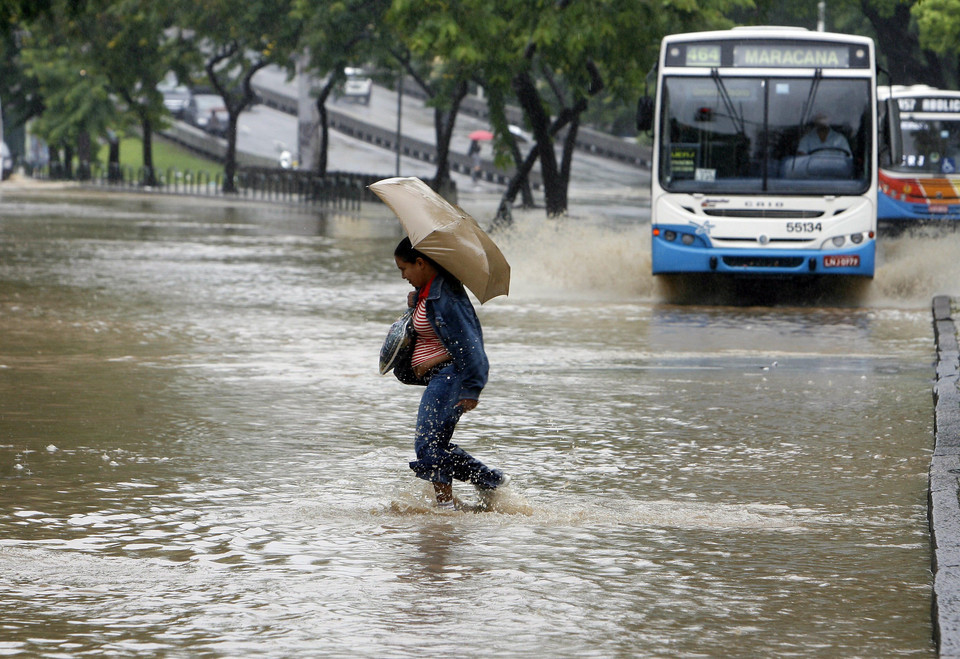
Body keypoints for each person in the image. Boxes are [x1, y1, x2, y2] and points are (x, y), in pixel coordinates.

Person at [393, 237, 508, 510]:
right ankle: (489, 481)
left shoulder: (446, 296)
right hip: (440, 377)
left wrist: (472, 388)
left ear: (420, 263)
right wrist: (415, 305)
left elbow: (471, 344)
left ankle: (445, 509)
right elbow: (435, 336)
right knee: (436, 444)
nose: (403, 276)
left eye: (404, 269)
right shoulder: (429, 292)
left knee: (428, 444)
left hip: (452, 377)